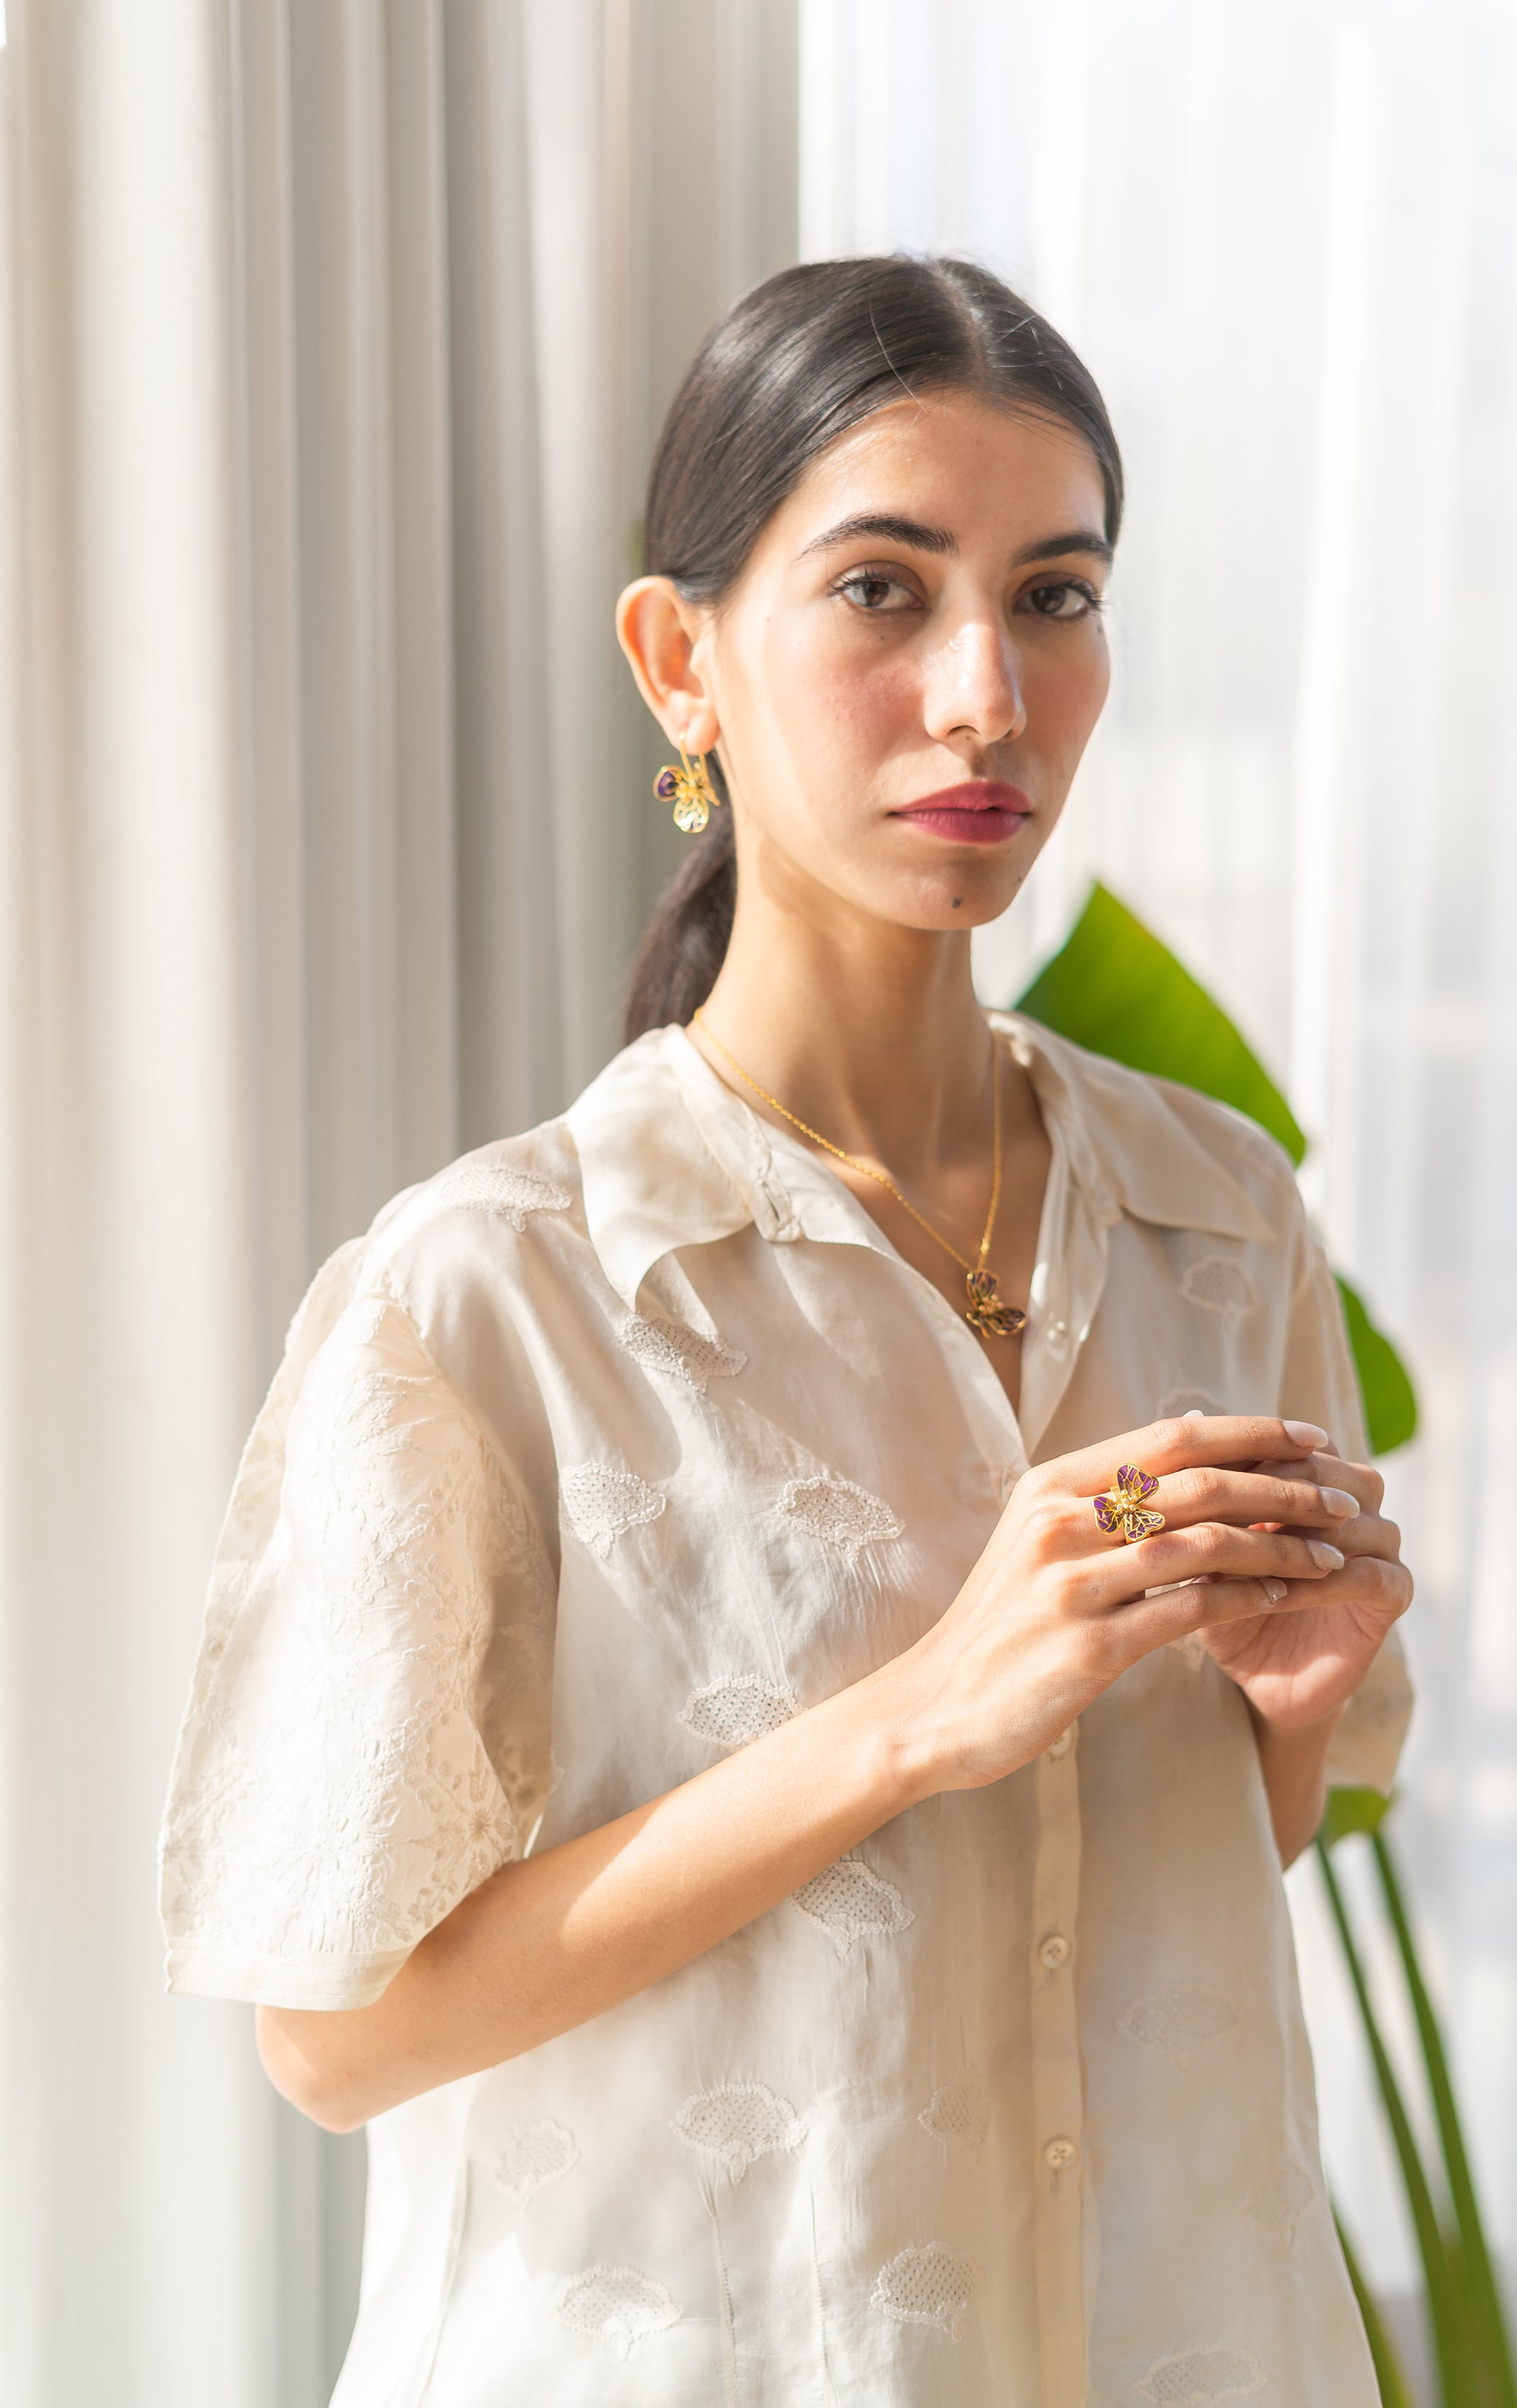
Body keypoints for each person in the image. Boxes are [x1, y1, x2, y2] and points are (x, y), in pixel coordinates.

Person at [159, 256, 1412, 2406]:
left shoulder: (1224, 1215)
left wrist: (1286, 1710)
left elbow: (1181, 1874)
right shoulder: (494, 1298)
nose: (986, 698)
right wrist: (922, 1713)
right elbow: (337, 2033)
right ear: (683, 660)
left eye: (1055, 595)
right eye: (882, 591)